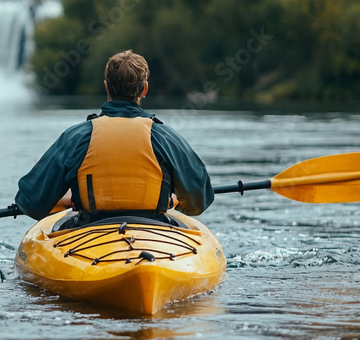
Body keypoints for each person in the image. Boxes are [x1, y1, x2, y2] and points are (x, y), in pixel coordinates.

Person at [15, 50, 214, 228]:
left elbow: (31, 202)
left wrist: (70, 199)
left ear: (106, 86)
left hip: (89, 233)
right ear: (144, 89)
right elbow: (200, 201)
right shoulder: (165, 137)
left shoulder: (77, 137)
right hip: (155, 233)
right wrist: (170, 199)